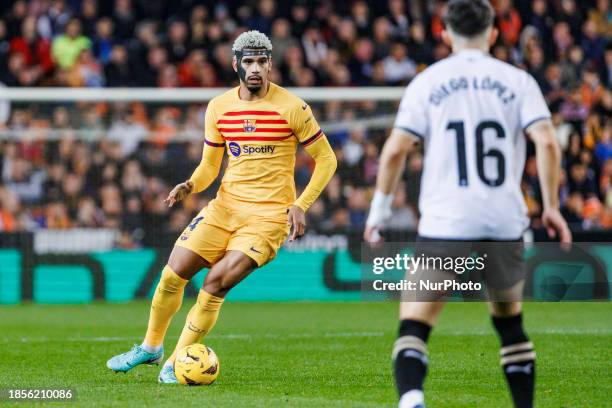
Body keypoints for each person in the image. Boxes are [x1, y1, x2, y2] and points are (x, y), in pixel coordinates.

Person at [363, 1, 572, 407]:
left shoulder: (427, 82)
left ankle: (411, 399)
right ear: (494, 33)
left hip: (447, 220)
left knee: (414, 325)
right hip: (503, 220)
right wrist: (550, 206)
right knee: (510, 325)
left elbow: (394, 152)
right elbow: (546, 140)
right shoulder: (518, 80)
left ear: (444, 33)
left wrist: (378, 213)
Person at [106, 30, 337, 383]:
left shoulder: (293, 107)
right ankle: (150, 348)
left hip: (267, 218)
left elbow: (327, 159)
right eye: (248, 61)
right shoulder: (219, 107)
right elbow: (210, 165)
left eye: (262, 61)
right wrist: (190, 184)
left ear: (271, 64)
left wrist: (301, 204)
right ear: (236, 65)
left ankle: (175, 362)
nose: (256, 68)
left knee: (214, 284)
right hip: (223, 208)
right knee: (172, 275)